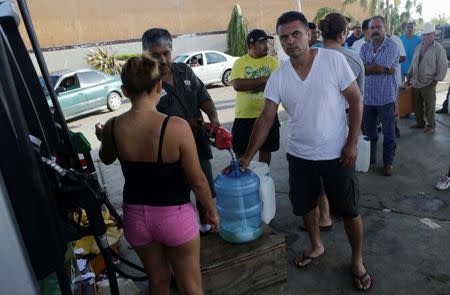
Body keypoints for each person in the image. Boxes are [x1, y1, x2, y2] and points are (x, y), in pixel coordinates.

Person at [239, 11, 372, 291]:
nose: (290, 41)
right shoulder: (279, 76)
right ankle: (316, 246)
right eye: (283, 36)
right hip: (299, 156)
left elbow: (356, 100)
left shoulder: (333, 60)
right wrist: (248, 155)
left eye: (295, 34)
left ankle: (357, 260)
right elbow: (265, 118)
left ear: (308, 34)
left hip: (337, 154)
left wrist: (351, 143)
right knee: (306, 207)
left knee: (349, 211)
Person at [95, 54, 220, 294]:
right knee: (190, 285)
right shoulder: (177, 126)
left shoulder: (113, 125)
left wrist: (104, 137)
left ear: (124, 90)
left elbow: (107, 157)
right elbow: (197, 180)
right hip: (174, 216)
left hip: (136, 217)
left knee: (159, 280)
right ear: (159, 86)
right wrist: (212, 213)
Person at [141, 28, 221, 234]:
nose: (163, 59)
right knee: (178, 194)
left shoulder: (184, 71)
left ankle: (206, 226)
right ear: (145, 54)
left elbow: (203, 97)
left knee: (204, 187)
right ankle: (185, 233)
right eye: (156, 55)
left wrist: (213, 118)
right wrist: (184, 126)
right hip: (169, 150)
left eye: (166, 53)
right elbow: (147, 121)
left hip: (198, 143)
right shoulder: (145, 84)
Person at [301, 12, 366, 233]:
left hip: (310, 128)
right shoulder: (352, 58)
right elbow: (357, 101)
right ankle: (344, 212)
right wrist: (353, 140)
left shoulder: (309, 55)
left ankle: (325, 216)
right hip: (342, 126)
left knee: (315, 173)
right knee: (342, 174)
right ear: (343, 34)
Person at [230, 29, 280, 164]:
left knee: (266, 149)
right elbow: (238, 85)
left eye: (266, 42)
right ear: (251, 45)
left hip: (268, 114)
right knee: (240, 151)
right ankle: (243, 178)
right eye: (262, 42)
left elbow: (274, 86)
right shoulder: (240, 62)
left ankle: (263, 175)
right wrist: (263, 80)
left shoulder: (272, 62)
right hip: (244, 116)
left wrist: (250, 84)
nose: (266, 45)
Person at [360, 16, 399, 176]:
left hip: (385, 98)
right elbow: (362, 69)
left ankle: (388, 163)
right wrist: (380, 68)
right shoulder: (364, 47)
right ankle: (370, 158)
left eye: (378, 27)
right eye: (372, 28)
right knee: (370, 133)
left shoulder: (392, 46)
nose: (375, 30)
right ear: (369, 30)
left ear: (385, 29)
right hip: (368, 98)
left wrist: (373, 67)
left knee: (389, 133)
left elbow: (382, 66)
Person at [406, 22, 448, 134]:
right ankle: (420, 123)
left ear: (434, 35)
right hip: (416, 81)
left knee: (430, 105)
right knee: (417, 105)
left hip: (429, 82)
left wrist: (436, 80)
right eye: (424, 35)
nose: (426, 36)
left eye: (428, 34)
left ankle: (431, 125)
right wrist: (409, 77)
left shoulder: (439, 49)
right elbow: (413, 63)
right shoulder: (419, 47)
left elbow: (443, 66)